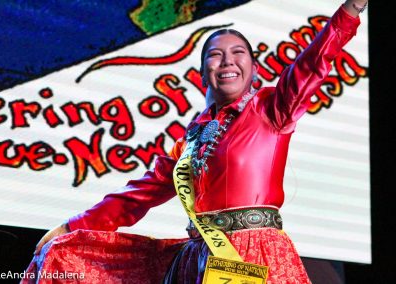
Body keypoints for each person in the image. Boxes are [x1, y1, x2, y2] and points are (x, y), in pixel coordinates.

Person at [24, 1, 367, 283]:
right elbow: (137, 195)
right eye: (215, 55)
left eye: (238, 53)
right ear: (203, 72)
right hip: (198, 262)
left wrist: (349, 12)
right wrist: (70, 227)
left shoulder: (271, 109)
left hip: (257, 255)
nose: (228, 60)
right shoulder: (190, 139)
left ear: (255, 69)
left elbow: (310, 67)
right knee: (72, 256)